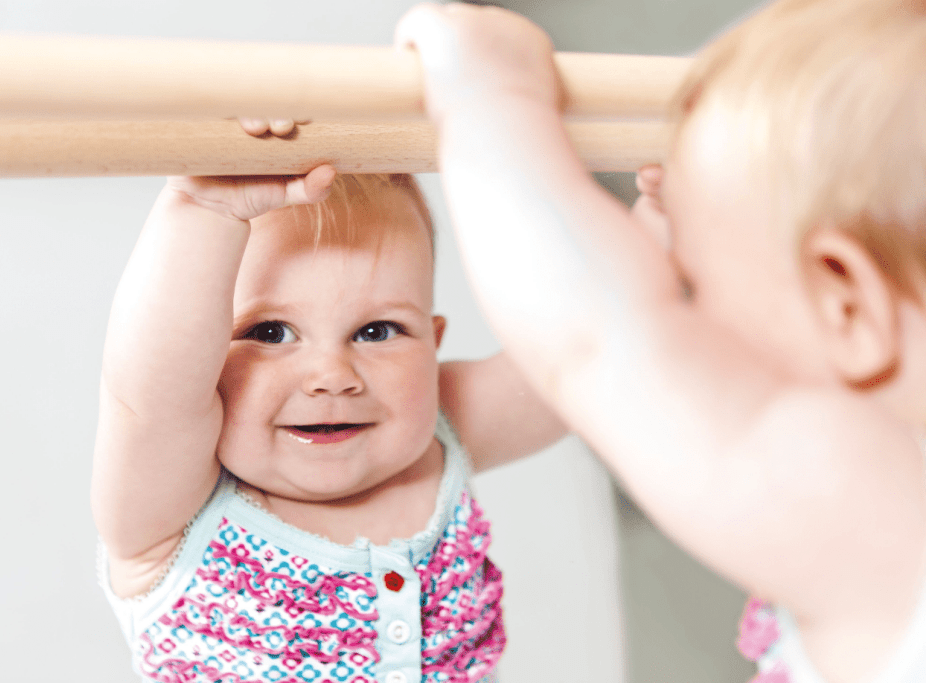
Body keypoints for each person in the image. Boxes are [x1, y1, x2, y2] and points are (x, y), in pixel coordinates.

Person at [395, 0, 926, 681]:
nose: (681, 336)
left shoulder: (873, 501)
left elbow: (593, 341)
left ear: (846, 303)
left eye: (691, 289)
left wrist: (491, 97)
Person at [91, 150, 567, 682]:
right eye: (270, 333)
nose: (332, 375)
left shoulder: (440, 428)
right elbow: (152, 393)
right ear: (205, 363)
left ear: (432, 347)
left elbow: (587, 360)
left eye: (376, 331)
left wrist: (646, 215)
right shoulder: (173, 511)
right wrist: (205, 211)